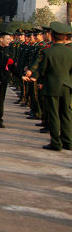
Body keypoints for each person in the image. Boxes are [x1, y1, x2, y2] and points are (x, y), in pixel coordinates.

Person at [33, 22, 72, 151]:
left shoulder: (48, 52)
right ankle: (68, 141)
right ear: (65, 37)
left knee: (54, 114)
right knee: (66, 113)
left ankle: (56, 142)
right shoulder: (70, 52)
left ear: (53, 36)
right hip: (66, 86)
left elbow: (42, 70)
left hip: (51, 86)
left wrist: (40, 81)